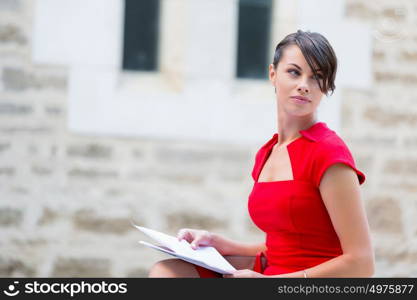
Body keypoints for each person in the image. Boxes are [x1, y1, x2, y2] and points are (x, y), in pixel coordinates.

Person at [148, 30, 375, 278]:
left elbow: (361, 264)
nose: (304, 86)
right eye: (294, 72)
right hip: (268, 273)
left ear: (326, 87)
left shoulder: (329, 153)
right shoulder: (268, 153)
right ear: (273, 74)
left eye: (317, 77)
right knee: (167, 272)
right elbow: (283, 247)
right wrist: (221, 244)